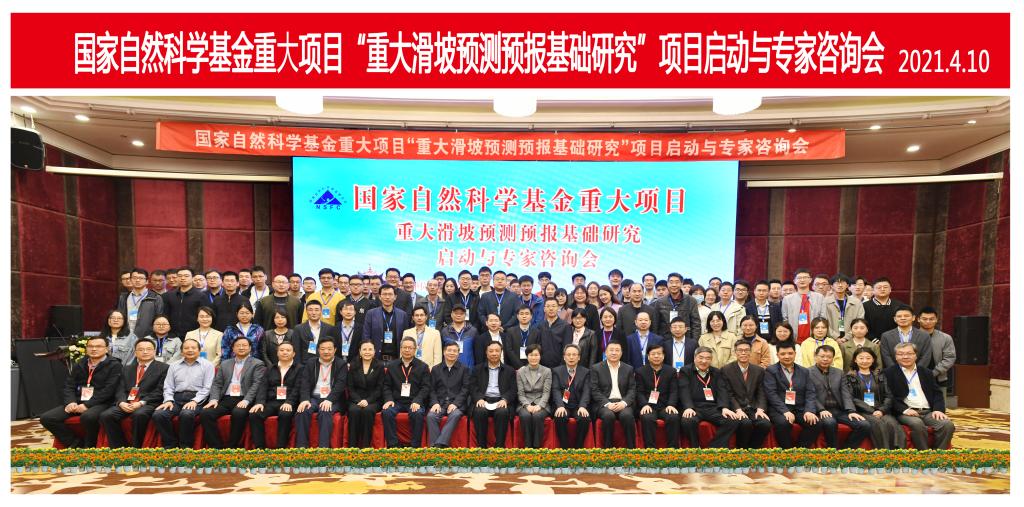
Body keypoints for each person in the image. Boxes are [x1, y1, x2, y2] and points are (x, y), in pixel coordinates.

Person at [41, 336, 122, 448]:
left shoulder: (115, 365)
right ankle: (76, 444)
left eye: (98, 346)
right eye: (90, 346)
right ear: (86, 348)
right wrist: (71, 402)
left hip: (102, 402)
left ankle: (91, 446)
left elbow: (109, 390)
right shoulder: (80, 363)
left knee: (88, 417)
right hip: (79, 401)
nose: (94, 349)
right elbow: (69, 385)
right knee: (47, 418)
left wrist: (87, 405)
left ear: (107, 349)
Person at [99, 338, 169, 448]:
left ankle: (137, 447)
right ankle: (119, 447)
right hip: (127, 402)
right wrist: (121, 402)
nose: (145, 352)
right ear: (135, 352)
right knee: (106, 415)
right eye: (141, 349)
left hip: (148, 403)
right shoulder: (127, 368)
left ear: (154, 351)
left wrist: (141, 403)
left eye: (148, 349)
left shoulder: (164, 368)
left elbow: (160, 391)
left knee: (139, 414)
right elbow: (120, 388)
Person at [885, 342, 955, 449]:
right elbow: (888, 396)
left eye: (909, 353)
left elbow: (937, 393)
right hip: (905, 412)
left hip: (927, 412)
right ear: (896, 357)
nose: (905, 356)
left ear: (915, 355)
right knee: (917, 424)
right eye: (901, 354)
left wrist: (938, 409)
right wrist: (904, 410)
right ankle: (924, 454)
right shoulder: (888, 373)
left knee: (947, 424)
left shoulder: (926, 372)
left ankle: (939, 454)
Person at [200, 336, 267, 448]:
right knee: (206, 413)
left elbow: (256, 384)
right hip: (226, 398)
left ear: (250, 348)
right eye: (238, 345)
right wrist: (214, 399)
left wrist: (246, 400)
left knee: (238, 413)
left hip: (244, 398)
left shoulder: (257, 364)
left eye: (244, 345)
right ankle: (217, 447)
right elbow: (217, 383)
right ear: (233, 348)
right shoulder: (225, 363)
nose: (241, 347)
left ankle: (232, 446)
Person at [152, 338, 215, 448]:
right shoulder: (174, 366)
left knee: (186, 414)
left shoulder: (208, 365)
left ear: (199, 350)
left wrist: (195, 401)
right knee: (159, 414)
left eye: (193, 348)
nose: (190, 350)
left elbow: (207, 388)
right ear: (181, 351)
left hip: (197, 399)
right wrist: (168, 400)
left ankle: (185, 446)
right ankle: (170, 444)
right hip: (176, 399)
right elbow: (168, 386)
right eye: (186, 348)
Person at [807, 344, 870, 449]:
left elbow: (846, 393)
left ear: (833, 358)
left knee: (864, 425)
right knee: (830, 423)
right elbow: (810, 394)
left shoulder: (839, 373)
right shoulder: (807, 372)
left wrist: (851, 411)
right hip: (821, 410)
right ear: (815, 357)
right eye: (822, 356)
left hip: (839, 410)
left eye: (829, 357)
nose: (825, 359)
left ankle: (846, 451)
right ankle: (833, 451)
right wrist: (821, 409)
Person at [677, 346, 739, 448]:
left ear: (711, 360)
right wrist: (688, 407)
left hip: (712, 407)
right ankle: (695, 448)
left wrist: (724, 407)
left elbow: (722, 390)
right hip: (695, 407)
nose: (704, 361)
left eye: (708, 358)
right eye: (701, 357)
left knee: (732, 420)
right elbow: (684, 390)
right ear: (695, 358)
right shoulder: (685, 371)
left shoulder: (716, 372)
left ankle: (713, 448)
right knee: (687, 421)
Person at [764, 341, 821, 448]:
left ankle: (799, 450)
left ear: (795, 354)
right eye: (783, 354)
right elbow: (771, 393)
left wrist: (809, 410)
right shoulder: (771, 371)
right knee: (783, 423)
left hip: (799, 408)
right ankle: (787, 451)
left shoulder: (804, 371)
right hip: (779, 409)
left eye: (790, 353)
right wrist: (785, 411)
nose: (787, 356)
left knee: (815, 423)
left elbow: (810, 392)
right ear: (777, 355)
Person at [846, 347, 904, 449]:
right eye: (861, 358)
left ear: (873, 359)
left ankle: (898, 452)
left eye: (868, 358)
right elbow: (851, 398)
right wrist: (871, 411)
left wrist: (881, 410)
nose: (865, 361)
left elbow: (888, 395)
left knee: (891, 423)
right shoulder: (850, 377)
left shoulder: (880, 375)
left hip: (880, 409)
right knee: (878, 423)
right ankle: (883, 452)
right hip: (862, 411)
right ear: (855, 360)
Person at [248, 341, 301, 449]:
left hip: (289, 402)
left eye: (288, 350)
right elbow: (263, 387)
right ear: (277, 353)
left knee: (285, 414)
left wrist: (289, 402)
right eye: (281, 350)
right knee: (255, 414)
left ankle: (280, 448)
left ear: (294, 354)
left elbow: (298, 388)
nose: (284, 352)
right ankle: (259, 449)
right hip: (272, 402)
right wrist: (260, 402)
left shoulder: (300, 369)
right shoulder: (270, 368)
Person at [295, 338, 347, 448]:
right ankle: (301, 447)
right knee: (303, 410)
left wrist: (329, 400)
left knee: (325, 410)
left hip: (333, 399)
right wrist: (305, 399)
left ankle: (323, 448)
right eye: (323, 349)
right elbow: (305, 382)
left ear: (335, 350)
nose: (326, 352)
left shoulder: (341, 364)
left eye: (329, 349)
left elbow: (340, 385)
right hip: (314, 397)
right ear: (318, 350)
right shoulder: (311, 363)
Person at [380, 337, 431, 447]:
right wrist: (389, 399)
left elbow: (426, 387)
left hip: (414, 401)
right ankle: (393, 445)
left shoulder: (423, 367)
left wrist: (418, 401)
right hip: (396, 401)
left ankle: (415, 446)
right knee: (387, 412)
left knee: (417, 413)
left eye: (410, 348)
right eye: (405, 347)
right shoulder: (392, 366)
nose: (407, 350)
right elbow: (386, 386)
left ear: (415, 349)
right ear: (400, 349)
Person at [721, 340, 772, 448]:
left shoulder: (759, 370)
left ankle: (752, 450)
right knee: (745, 423)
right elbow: (728, 393)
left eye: (746, 350)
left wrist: (760, 408)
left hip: (754, 408)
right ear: (735, 352)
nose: (743, 353)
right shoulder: (726, 370)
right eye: (740, 350)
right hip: (736, 408)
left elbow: (761, 392)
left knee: (765, 424)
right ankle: (741, 450)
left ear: (751, 352)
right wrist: (737, 409)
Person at [469, 341, 517, 447]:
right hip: (483, 399)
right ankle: (482, 446)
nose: (494, 353)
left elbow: (513, 390)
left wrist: (505, 399)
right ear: (486, 353)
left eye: (497, 351)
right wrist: (479, 398)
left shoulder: (509, 370)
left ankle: (499, 446)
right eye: (491, 351)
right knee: (480, 411)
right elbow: (472, 387)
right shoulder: (477, 369)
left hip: (501, 400)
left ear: (501, 353)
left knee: (502, 412)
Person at [590, 341, 636, 448]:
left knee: (627, 415)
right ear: (605, 352)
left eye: (617, 350)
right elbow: (595, 390)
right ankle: (607, 449)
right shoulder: (596, 368)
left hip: (623, 402)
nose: (614, 353)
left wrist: (624, 403)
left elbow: (632, 389)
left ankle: (631, 450)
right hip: (605, 404)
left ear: (621, 353)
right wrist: (607, 404)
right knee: (608, 416)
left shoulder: (628, 369)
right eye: (611, 350)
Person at [635, 343, 681, 448]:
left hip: (665, 406)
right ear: (648, 356)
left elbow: (674, 391)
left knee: (673, 417)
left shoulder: (671, 371)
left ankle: (673, 450)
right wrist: (644, 405)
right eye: (653, 354)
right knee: (647, 418)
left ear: (663, 356)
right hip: (648, 406)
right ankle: (650, 450)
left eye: (659, 354)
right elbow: (639, 391)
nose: (656, 356)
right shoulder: (640, 371)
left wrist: (671, 405)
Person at [427, 341, 470, 448]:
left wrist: (456, 404)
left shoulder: (464, 369)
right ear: (444, 352)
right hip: (440, 403)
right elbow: (431, 389)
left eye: (455, 351)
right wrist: (435, 403)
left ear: (458, 353)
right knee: (431, 416)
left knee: (455, 415)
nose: (452, 353)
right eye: (449, 350)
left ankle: (438, 445)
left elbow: (465, 389)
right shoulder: (436, 369)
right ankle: (437, 446)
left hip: (456, 404)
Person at [550, 344, 592, 448]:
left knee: (584, 418)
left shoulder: (586, 372)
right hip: (563, 405)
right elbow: (555, 390)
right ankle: (564, 448)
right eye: (568, 355)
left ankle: (578, 448)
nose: (571, 357)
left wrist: (583, 406)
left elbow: (586, 391)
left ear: (579, 357)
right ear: (564, 357)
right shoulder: (556, 371)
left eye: (574, 354)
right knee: (560, 417)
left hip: (578, 405)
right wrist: (560, 406)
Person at [347, 341, 385, 448]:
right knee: (354, 411)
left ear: (374, 351)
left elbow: (380, 388)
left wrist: (368, 400)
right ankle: (352, 447)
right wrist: (359, 400)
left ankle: (365, 447)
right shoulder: (353, 365)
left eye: (370, 349)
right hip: (356, 399)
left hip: (373, 400)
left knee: (368, 411)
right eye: (364, 349)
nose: (367, 352)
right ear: (360, 351)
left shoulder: (379, 366)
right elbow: (350, 387)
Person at [917, 307, 957, 405]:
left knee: (940, 408)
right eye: (924, 319)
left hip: (939, 378)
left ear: (936, 320)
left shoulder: (945, 338)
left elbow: (949, 358)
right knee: (917, 408)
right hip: (915, 377)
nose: (928, 321)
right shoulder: (911, 336)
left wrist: (934, 372)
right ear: (918, 319)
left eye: (931, 319)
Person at [516, 344, 552, 448]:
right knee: (525, 416)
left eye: (536, 355)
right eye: (531, 355)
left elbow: (546, 392)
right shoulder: (521, 371)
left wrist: (540, 406)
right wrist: (527, 405)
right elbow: (520, 393)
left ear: (540, 356)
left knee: (537, 416)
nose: (533, 357)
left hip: (541, 403)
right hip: (525, 403)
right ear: (527, 356)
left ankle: (536, 448)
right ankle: (528, 447)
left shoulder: (547, 371)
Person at [780, 268, 827, 345]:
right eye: (799, 278)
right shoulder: (787, 299)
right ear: (795, 281)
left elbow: (823, 318)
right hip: (793, 340)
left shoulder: (819, 297)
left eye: (805, 277)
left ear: (810, 280)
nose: (802, 280)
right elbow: (785, 320)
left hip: (814, 339)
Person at [363, 284, 409, 362]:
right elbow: (366, 335)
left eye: (390, 294)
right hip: (376, 358)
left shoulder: (402, 315)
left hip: (397, 359)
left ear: (395, 297)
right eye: (384, 294)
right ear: (380, 297)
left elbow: (405, 337)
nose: (387, 297)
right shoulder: (371, 314)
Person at [879, 305, 933, 370]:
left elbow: (926, 356)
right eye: (899, 316)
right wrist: (896, 371)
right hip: (894, 372)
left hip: (917, 372)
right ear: (895, 319)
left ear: (913, 318)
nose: (903, 318)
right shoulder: (886, 336)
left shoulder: (924, 335)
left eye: (906, 316)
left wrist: (916, 371)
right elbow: (886, 356)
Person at [117, 267, 164, 340]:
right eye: (134, 278)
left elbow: (159, 319)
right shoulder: (123, 297)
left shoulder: (155, 298)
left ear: (147, 281)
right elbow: (119, 317)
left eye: (141, 278)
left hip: (147, 338)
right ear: (131, 280)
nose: (137, 280)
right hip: (125, 336)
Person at [654, 273, 702, 340]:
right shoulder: (660, 302)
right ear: (667, 284)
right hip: (665, 340)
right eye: (671, 282)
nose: (674, 285)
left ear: (681, 284)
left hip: (686, 340)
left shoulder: (691, 301)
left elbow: (696, 324)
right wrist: (657, 342)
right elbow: (655, 325)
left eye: (677, 282)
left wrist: (694, 342)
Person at [292, 299, 341, 365]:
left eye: (316, 310)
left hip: (325, 363)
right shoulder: (298, 328)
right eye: (310, 310)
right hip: (305, 364)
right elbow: (296, 350)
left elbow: (333, 348)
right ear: (306, 311)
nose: (313, 313)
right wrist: (299, 367)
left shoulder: (330, 328)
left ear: (321, 311)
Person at [162, 267, 206, 338]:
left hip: (193, 334)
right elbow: (165, 315)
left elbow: (204, 317)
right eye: (179, 276)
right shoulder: (168, 296)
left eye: (186, 276)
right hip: (172, 335)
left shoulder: (201, 296)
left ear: (193, 278)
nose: (182, 278)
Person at [824, 274, 864, 341]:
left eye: (842, 283)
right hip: (830, 340)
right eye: (837, 283)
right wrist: (836, 337)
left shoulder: (857, 303)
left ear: (847, 285)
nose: (840, 285)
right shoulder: (825, 302)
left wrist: (846, 338)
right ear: (831, 286)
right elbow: (823, 323)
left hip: (852, 340)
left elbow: (860, 322)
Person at [537, 298, 573, 368]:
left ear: (558, 308)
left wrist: (562, 366)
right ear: (544, 309)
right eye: (548, 306)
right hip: (542, 366)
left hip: (560, 366)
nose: (551, 309)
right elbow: (538, 346)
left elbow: (567, 348)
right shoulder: (540, 326)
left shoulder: (566, 326)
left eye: (553, 306)